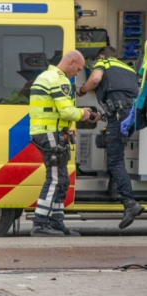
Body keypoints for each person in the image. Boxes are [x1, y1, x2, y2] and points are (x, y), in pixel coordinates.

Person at [77, 46, 144, 229]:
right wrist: (102, 116)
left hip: (119, 116)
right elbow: (123, 98)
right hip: (130, 118)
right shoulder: (128, 69)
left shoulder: (103, 62)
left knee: (115, 160)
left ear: (100, 56)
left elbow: (96, 78)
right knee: (115, 154)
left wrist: (81, 90)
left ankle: (129, 203)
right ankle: (115, 189)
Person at [29, 50, 94, 237]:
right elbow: (66, 112)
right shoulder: (59, 79)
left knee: (62, 180)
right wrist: (83, 113)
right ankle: (40, 224)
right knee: (56, 179)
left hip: (47, 132)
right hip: (50, 133)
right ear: (71, 62)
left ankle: (56, 222)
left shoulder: (46, 76)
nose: (78, 73)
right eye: (78, 69)